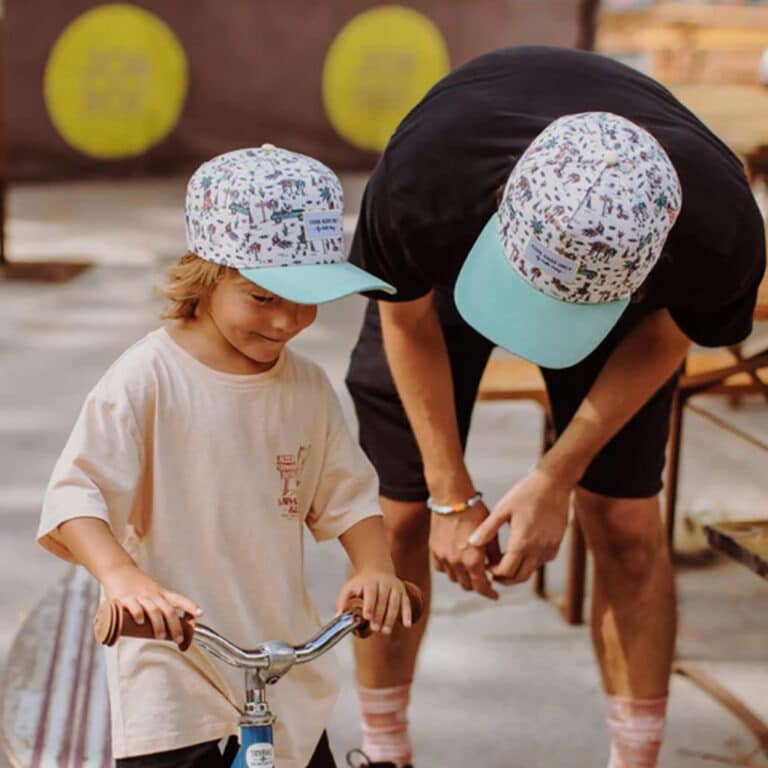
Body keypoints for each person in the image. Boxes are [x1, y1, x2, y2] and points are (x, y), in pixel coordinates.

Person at [344, 46, 766, 768]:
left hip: (629, 285)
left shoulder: (719, 229)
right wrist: (450, 495)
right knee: (402, 516)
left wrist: (555, 477)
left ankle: (635, 760)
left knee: (625, 521)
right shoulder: (429, 174)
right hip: (449, 265)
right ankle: (385, 754)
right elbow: (406, 321)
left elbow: (669, 335)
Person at [37, 146, 416, 768]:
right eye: (263, 297)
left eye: (305, 297)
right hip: (172, 657)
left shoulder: (306, 388)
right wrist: (123, 580)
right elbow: (77, 496)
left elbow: (347, 495)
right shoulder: (148, 377)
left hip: (281, 661)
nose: (287, 321)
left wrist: (373, 566)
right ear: (205, 277)